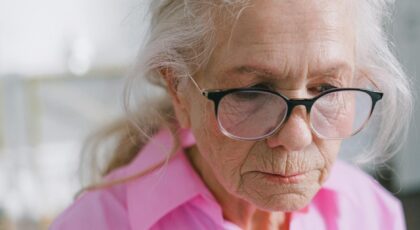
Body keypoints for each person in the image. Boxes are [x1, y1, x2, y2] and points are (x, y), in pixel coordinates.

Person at [51, 0, 413, 229]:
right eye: (254, 92)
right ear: (179, 90)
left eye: (327, 88)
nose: (298, 136)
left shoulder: (371, 213)